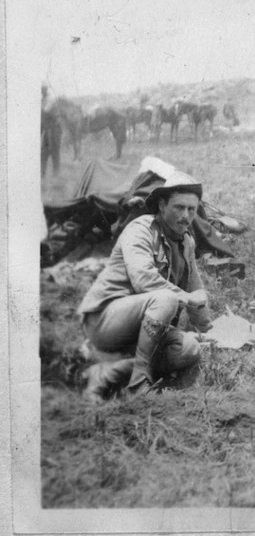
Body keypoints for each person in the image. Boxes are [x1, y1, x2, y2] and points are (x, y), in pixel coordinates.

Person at [78, 171, 212, 401]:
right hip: (105, 320)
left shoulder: (186, 241)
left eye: (192, 209)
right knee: (166, 298)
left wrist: (207, 328)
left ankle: (109, 371)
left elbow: (195, 289)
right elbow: (144, 280)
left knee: (189, 349)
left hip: (143, 327)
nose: (186, 216)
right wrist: (188, 299)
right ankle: (139, 383)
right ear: (161, 205)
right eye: (179, 207)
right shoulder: (140, 229)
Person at [41, 83, 61, 177]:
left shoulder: (50, 99)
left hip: (54, 128)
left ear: (45, 89)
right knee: (44, 151)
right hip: (47, 127)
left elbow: (45, 111)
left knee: (54, 150)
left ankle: (56, 174)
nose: (42, 91)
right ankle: (42, 173)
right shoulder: (43, 99)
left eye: (43, 89)